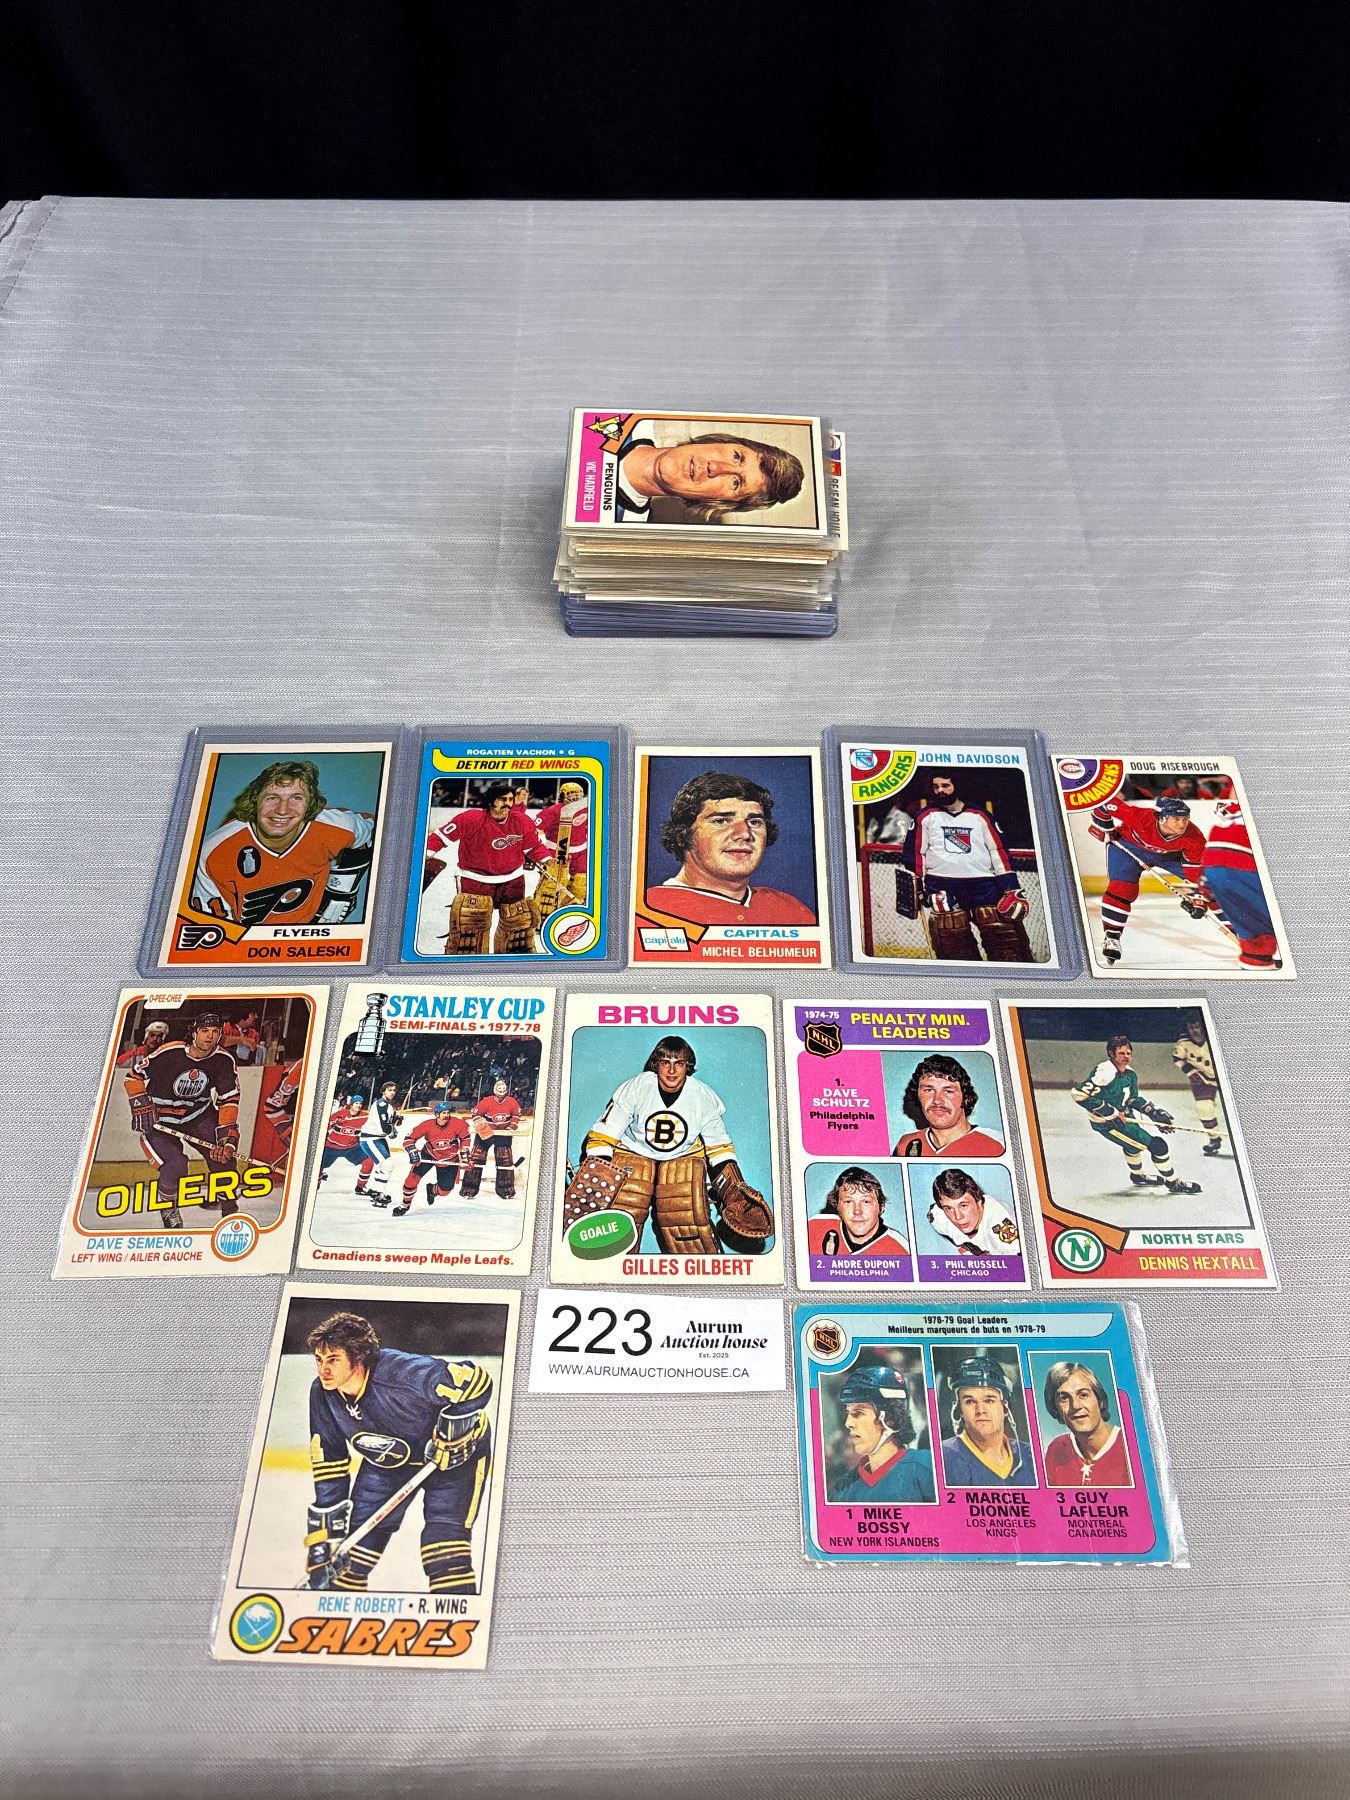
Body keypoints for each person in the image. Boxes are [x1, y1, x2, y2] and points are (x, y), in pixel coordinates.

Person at [303, 1311, 493, 1595]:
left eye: (333, 1360)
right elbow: (329, 1461)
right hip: (387, 1463)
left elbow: (476, 1382)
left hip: (454, 1463)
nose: (323, 1369)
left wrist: (453, 1426)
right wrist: (327, 1538)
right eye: (319, 1359)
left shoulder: (404, 1373)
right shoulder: (322, 1393)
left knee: (445, 1552)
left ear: (358, 1357)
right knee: (349, 1558)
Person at [563, 1036, 771, 1255]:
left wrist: (733, 1190)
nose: (672, 1070)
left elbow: (719, 1148)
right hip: (632, 1150)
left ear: (687, 1066)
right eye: (665, 1063)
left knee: (686, 1212)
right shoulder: (637, 1087)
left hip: (683, 1155)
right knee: (625, 1206)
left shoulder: (702, 1097)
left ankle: (701, 1274)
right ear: (656, 1065)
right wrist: (598, 1182)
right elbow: (603, 1135)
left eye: (678, 1063)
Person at [191, 758, 375, 928]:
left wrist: (343, 889)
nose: (282, 810)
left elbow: (376, 829)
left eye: (296, 798)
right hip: (248, 936)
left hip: (311, 924)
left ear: (310, 805)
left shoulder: (337, 827)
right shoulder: (214, 852)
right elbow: (214, 929)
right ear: (255, 801)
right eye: (272, 798)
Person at [645, 770, 815, 927]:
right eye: (721, 821)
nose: (744, 834)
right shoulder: (647, 911)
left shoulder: (791, 910)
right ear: (683, 833)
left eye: (754, 822)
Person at [125, 1008, 240, 1229]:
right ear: (194, 1033)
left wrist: (227, 1137)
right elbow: (133, 1078)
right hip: (161, 1121)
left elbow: (229, 1099)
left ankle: (228, 1205)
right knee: (176, 1166)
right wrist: (140, 1103)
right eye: (204, 1030)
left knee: (223, 1159)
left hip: (198, 1116)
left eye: (215, 1031)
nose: (210, 1036)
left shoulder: (223, 1060)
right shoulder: (170, 1052)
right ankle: (169, 1209)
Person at [907, 774, 1034, 962]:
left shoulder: (980, 815)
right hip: (942, 886)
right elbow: (915, 853)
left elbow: (998, 850)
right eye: (936, 786)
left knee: (1004, 940)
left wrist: (1011, 888)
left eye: (945, 785)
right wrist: (917, 886)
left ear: (956, 786)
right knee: (953, 942)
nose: (940, 790)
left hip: (984, 886)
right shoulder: (925, 816)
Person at [424, 783, 548, 955]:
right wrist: (428, 853)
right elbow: (439, 837)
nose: (508, 803)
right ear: (490, 801)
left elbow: (533, 847)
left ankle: (512, 962)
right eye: (502, 799)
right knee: (470, 929)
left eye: (510, 799)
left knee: (517, 927)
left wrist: (548, 860)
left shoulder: (522, 820)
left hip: (513, 879)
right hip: (475, 879)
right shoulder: (470, 819)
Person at [1071, 1033, 1200, 1194]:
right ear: (1111, 1053)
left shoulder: (1130, 1074)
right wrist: (1110, 1112)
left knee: (1133, 1145)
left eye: (1128, 1053)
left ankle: (1138, 1176)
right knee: (1158, 1146)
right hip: (1109, 1124)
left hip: (1125, 1118)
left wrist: (1153, 1112)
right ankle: (1173, 1182)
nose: (1126, 1056)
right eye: (1121, 1053)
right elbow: (1078, 1094)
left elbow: (1132, 1099)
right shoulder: (1104, 1073)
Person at [1087, 793, 1207, 966]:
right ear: (1161, 817)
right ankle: (1112, 937)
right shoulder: (1140, 817)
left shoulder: (1193, 837)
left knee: (1211, 881)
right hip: (1128, 848)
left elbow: (1194, 871)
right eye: (1176, 819)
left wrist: (1198, 897)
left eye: (1185, 818)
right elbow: (1103, 803)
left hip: (1167, 855)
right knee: (1122, 890)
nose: (1182, 824)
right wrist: (1105, 828)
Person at [608, 421, 805, 524]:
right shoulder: (629, 417)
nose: (716, 468)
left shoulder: (620, 530)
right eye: (736, 457)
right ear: (721, 441)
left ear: (718, 503)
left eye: (735, 482)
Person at [1199, 799, 1283, 972]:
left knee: (1257, 945)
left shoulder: (1226, 819)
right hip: (1245, 863)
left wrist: (1202, 894)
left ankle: (1259, 962)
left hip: (1213, 863)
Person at [834, 1362, 936, 1503]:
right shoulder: (843, 1487)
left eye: (858, 1413)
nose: (848, 1423)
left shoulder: (927, 1468)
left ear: (889, 1417)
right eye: (848, 1413)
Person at [939, 1353, 1037, 1487]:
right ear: (959, 1409)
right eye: (970, 1401)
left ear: (1005, 1407)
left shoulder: (1029, 1455)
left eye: (989, 1400)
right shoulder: (944, 1456)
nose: (980, 1410)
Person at [891, 1054, 1005, 1158]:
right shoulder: (907, 1145)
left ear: (965, 1097)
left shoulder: (997, 1145)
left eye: (948, 1091)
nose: (937, 1101)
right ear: (918, 1095)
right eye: (929, 1090)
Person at [1042, 1361, 1134, 1488]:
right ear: (1055, 1408)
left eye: (1083, 1395)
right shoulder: (1057, 1450)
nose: (1075, 1406)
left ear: (1100, 1400)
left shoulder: (1130, 1446)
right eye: (1064, 1398)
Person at [806, 1166, 909, 1259]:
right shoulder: (813, 1228)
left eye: (866, 1202)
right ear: (838, 1206)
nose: (857, 1211)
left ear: (881, 1207)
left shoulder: (901, 1250)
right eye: (848, 1202)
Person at [395, 1100, 471, 1215]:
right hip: (429, 1154)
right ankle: (405, 1205)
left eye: (448, 1112)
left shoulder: (458, 1124)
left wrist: (465, 1157)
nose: (446, 1115)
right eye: (443, 1113)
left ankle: (432, 1190)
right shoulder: (427, 1125)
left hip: (449, 1159)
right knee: (411, 1180)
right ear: (436, 1114)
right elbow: (409, 1139)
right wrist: (412, 1151)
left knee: (445, 1191)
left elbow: (465, 1138)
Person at [926, 1168, 1021, 1257]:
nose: (958, 1217)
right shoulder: (938, 1217)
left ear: (979, 1202)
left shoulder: (1000, 1223)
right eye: (949, 1208)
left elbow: (1017, 1263)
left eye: (964, 1206)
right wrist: (968, 1247)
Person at [1172, 1011, 1225, 1156]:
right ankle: (1214, 1138)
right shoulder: (1183, 1043)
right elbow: (1178, 1059)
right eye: (1191, 1027)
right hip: (1202, 1079)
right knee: (1203, 1107)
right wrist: (1191, 1073)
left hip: (1222, 1076)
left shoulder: (1214, 1039)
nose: (1194, 1030)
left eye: (1197, 1027)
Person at [459, 1078, 521, 1201]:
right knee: (476, 1160)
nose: (501, 1094)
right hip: (485, 1134)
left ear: (506, 1091)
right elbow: (475, 1115)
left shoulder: (512, 1102)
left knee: (505, 1162)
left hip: (503, 1134)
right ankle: (468, 1189)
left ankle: (506, 1191)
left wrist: (512, 1126)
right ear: (495, 1091)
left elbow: (516, 1115)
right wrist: (483, 1127)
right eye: (499, 1091)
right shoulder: (486, 1101)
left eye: (503, 1091)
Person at [535, 780, 589, 902]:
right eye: (572, 795)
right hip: (558, 851)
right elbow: (534, 828)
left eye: (578, 795)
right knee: (552, 885)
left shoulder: (585, 808)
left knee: (581, 881)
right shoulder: (553, 810)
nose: (576, 798)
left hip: (581, 851)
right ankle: (546, 909)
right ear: (563, 796)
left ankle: (574, 905)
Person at [356, 1080, 403, 1207]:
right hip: (371, 1138)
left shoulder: (387, 1105)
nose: (392, 1092)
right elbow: (383, 1129)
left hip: (377, 1138)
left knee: (382, 1165)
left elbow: (387, 1126)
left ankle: (375, 1191)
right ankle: (379, 1195)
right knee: (387, 1164)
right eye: (389, 1090)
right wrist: (392, 1128)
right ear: (383, 1091)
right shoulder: (382, 1104)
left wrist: (394, 1121)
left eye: (394, 1090)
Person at [317, 1094, 369, 1185]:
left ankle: (360, 1187)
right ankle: (315, 1183)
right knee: (317, 1167)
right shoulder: (340, 1114)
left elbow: (378, 1122)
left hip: (351, 1148)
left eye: (360, 1103)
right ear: (351, 1104)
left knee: (368, 1162)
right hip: (332, 1146)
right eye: (356, 1103)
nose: (359, 1105)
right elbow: (324, 1126)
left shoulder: (365, 1116)